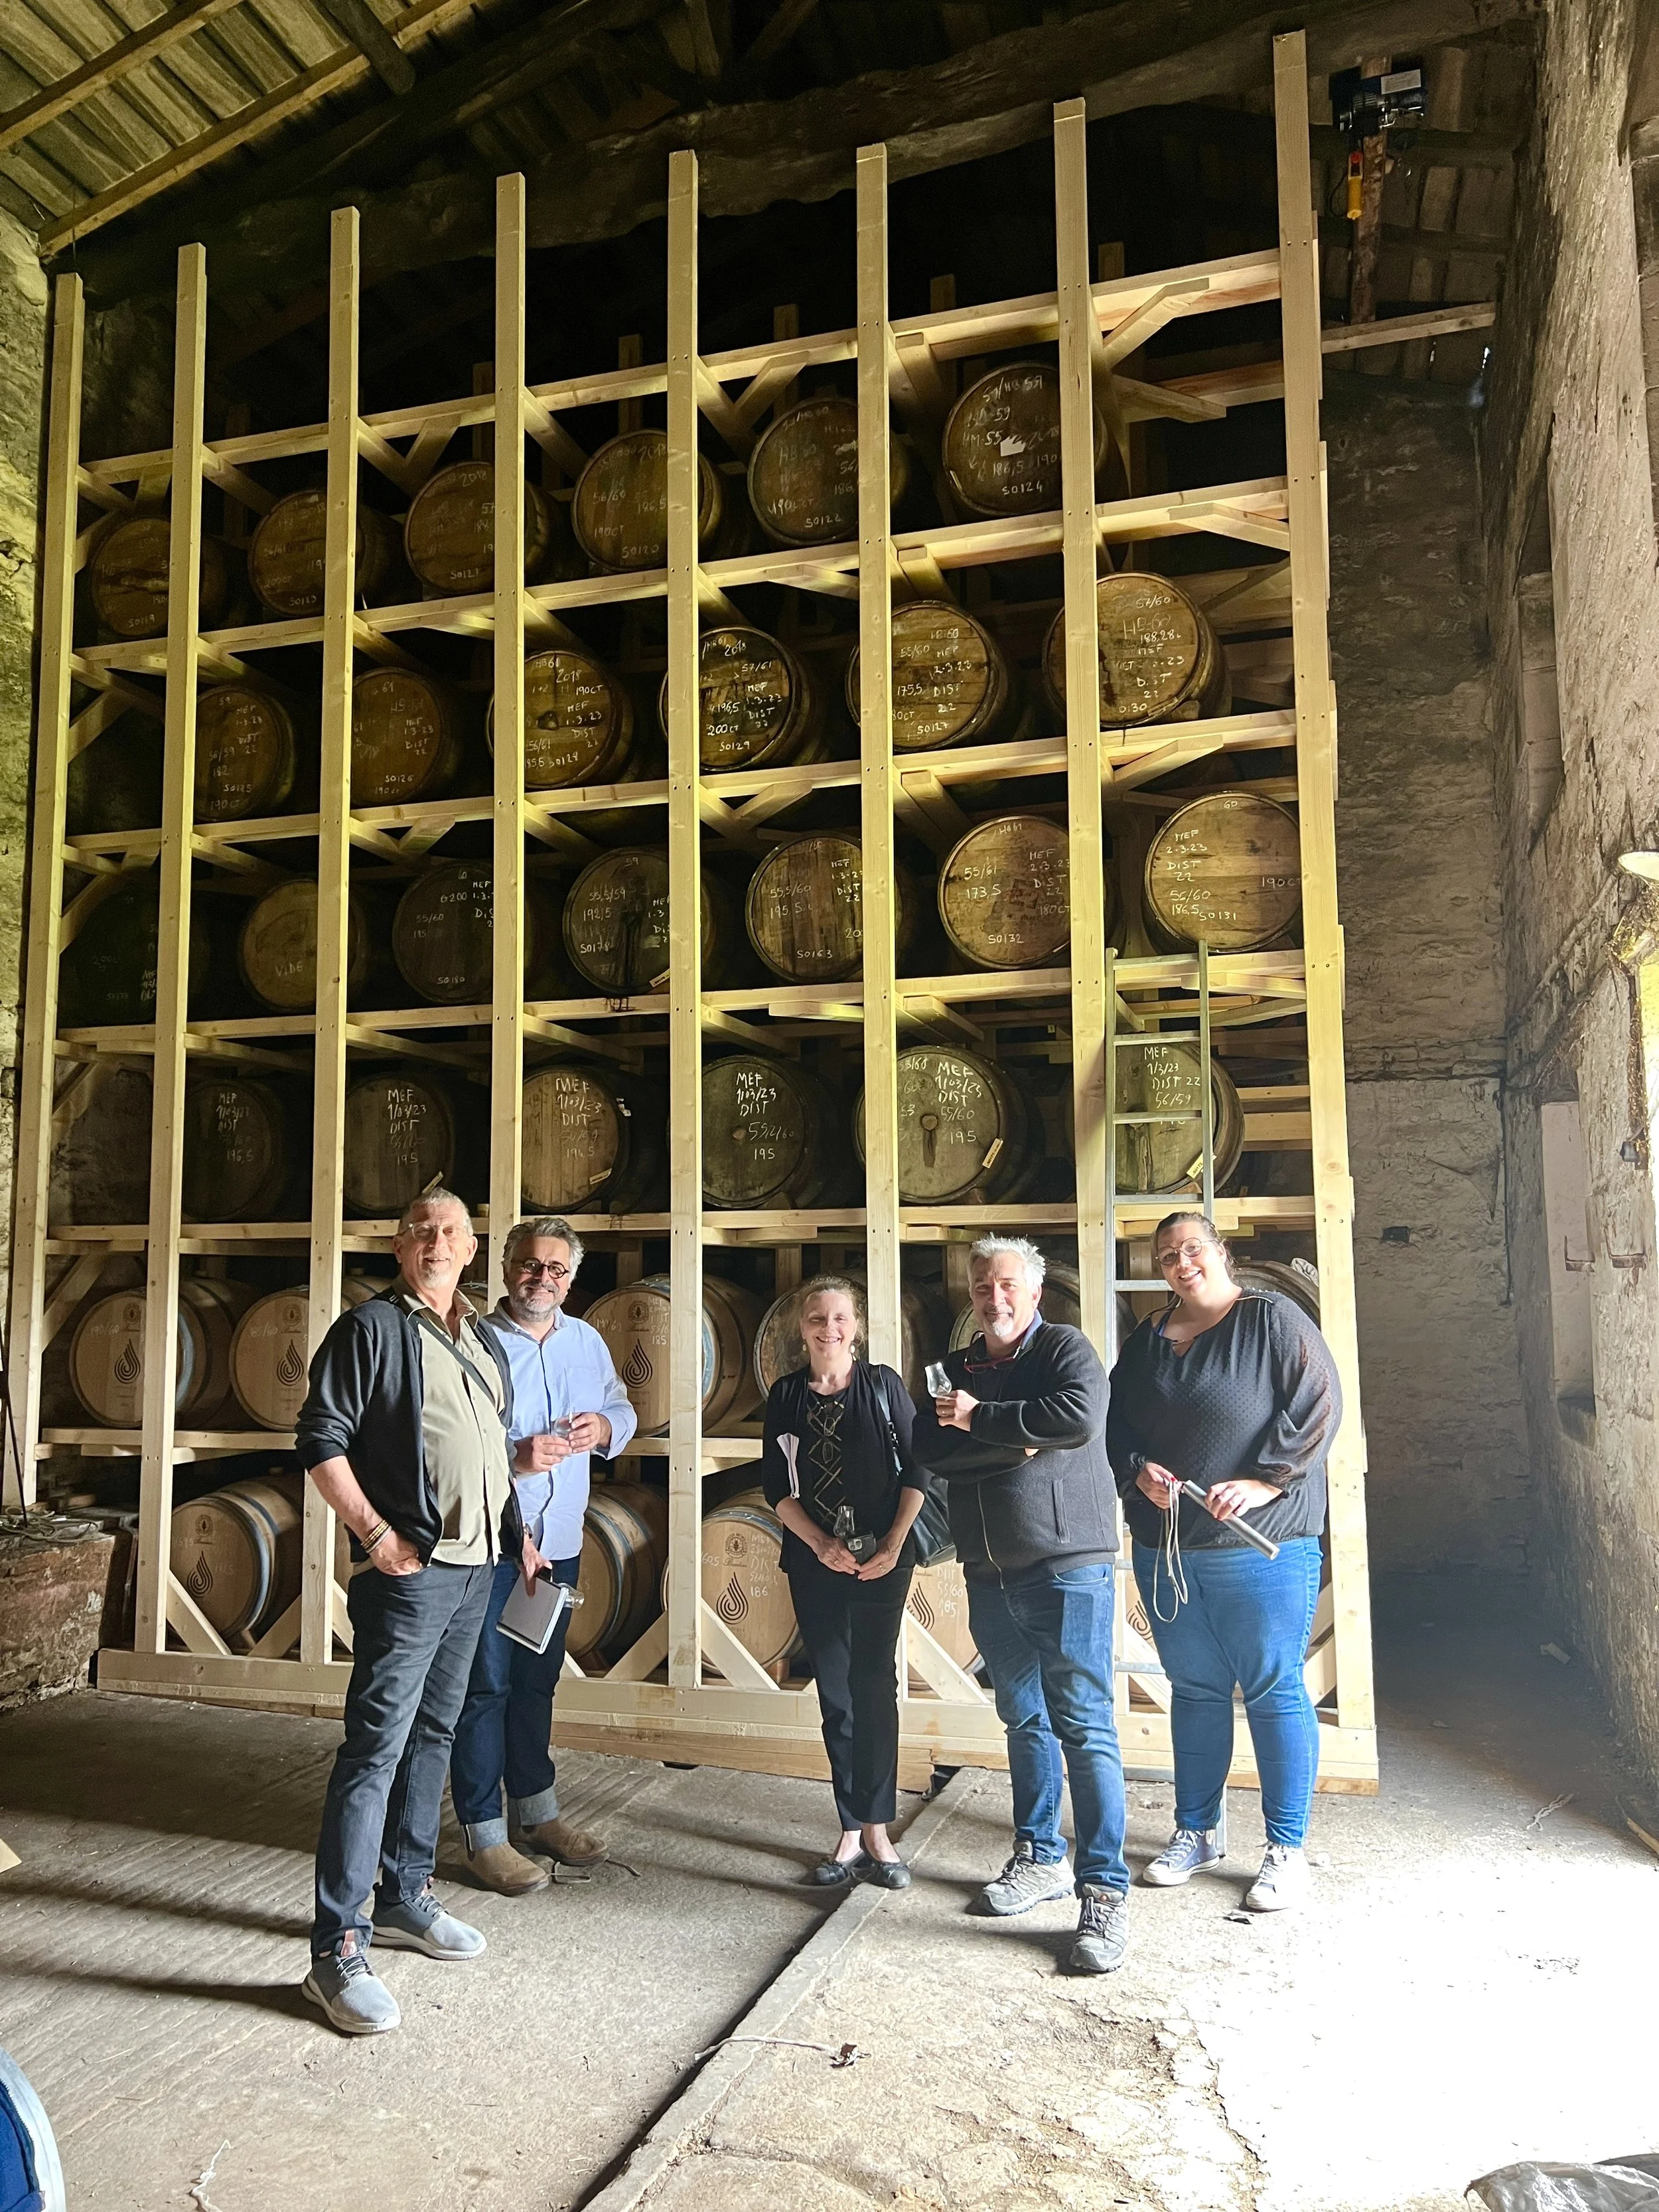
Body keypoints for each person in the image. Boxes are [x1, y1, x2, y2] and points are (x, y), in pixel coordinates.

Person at [297, 1189, 520, 2035]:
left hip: (475, 1569)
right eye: (421, 1230)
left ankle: (406, 1895)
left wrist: (515, 1516)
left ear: (471, 1250)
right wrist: (377, 1534)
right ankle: (336, 1946)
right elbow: (320, 1439)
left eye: (451, 1232)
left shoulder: (480, 1335)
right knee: (375, 1750)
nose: (436, 1242)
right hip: (412, 1572)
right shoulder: (371, 1330)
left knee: (437, 1734)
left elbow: (482, 1443)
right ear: (400, 1246)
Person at [1106, 1210, 1340, 1913]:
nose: (1181, 1262)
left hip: (1261, 1548)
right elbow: (1115, 1427)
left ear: (1221, 1254)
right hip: (1169, 1546)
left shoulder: (1269, 1321)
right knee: (1197, 1690)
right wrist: (1139, 1472)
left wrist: (1266, 1479)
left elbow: (1318, 1401)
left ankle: (1285, 1849)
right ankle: (1197, 1830)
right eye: (1167, 1254)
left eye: (1193, 1249)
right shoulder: (1149, 1339)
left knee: (1272, 1688)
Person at [911, 1237, 1129, 1974]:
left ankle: (1104, 1891)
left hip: (1067, 1567)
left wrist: (978, 1421)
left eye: (1005, 1285)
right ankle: (1039, 1855)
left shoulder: (1066, 1350)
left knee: (1085, 1725)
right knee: (1023, 1716)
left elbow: (1074, 1420)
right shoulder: (957, 1367)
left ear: (1033, 1291)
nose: (993, 1298)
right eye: (981, 1287)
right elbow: (930, 1450)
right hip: (988, 1570)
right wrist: (1009, 1438)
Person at [450, 1216, 638, 1894]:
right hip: (496, 1546)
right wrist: (514, 1457)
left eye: (556, 1269)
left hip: (558, 1542)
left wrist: (607, 1426)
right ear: (506, 1268)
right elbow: (447, 1442)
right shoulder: (473, 1341)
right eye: (531, 1265)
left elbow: (623, 1406)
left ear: (571, 1278)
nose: (542, 1278)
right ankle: (483, 1833)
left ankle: (537, 1812)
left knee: (535, 1683)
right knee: (485, 1688)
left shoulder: (585, 1342)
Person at [758, 1277, 928, 1889]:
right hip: (814, 1560)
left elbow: (919, 1469)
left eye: (840, 1317)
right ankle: (851, 1829)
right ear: (801, 1328)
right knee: (836, 1691)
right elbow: (776, 1487)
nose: (829, 1328)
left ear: (856, 1324)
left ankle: (880, 1831)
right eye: (817, 1318)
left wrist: (892, 1543)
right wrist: (820, 1543)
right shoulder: (784, 1395)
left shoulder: (884, 1386)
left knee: (874, 1686)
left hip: (884, 1559)